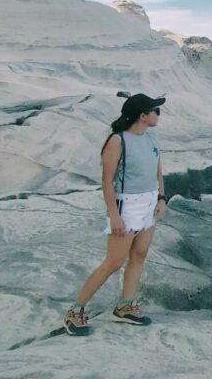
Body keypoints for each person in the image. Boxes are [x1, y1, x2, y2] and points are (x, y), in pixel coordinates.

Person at [63, 93, 167, 336]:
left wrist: (162, 197)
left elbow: (158, 170)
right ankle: (75, 311)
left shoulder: (151, 137)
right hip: (127, 205)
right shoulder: (117, 141)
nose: (159, 115)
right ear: (143, 116)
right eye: (156, 111)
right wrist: (114, 216)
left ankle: (124, 307)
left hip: (149, 201)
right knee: (114, 262)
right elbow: (107, 181)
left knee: (139, 254)